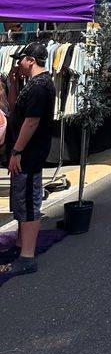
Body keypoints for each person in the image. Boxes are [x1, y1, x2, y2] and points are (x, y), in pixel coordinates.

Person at [2, 43, 56, 277]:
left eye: (21, 60)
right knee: (22, 201)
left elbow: (31, 121)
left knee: (29, 202)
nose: (17, 64)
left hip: (29, 154)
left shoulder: (41, 86)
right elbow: (16, 111)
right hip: (26, 153)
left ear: (31, 60)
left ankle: (27, 256)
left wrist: (17, 151)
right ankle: (21, 247)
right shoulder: (33, 84)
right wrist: (14, 83)